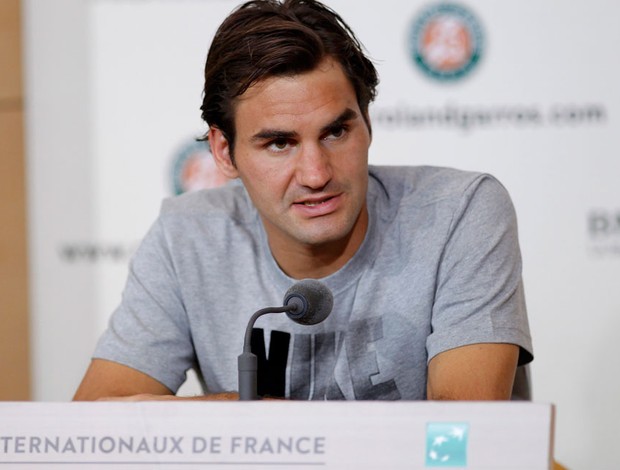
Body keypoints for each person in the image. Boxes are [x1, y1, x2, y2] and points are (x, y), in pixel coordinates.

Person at [74, 0, 532, 402]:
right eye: (279, 143)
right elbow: (95, 423)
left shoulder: (460, 213)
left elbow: (460, 443)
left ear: (367, 124)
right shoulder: (188, 238)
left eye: (336, 131)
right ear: (223, 152)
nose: (317, 174)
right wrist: (254, 416)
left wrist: (261, 426)